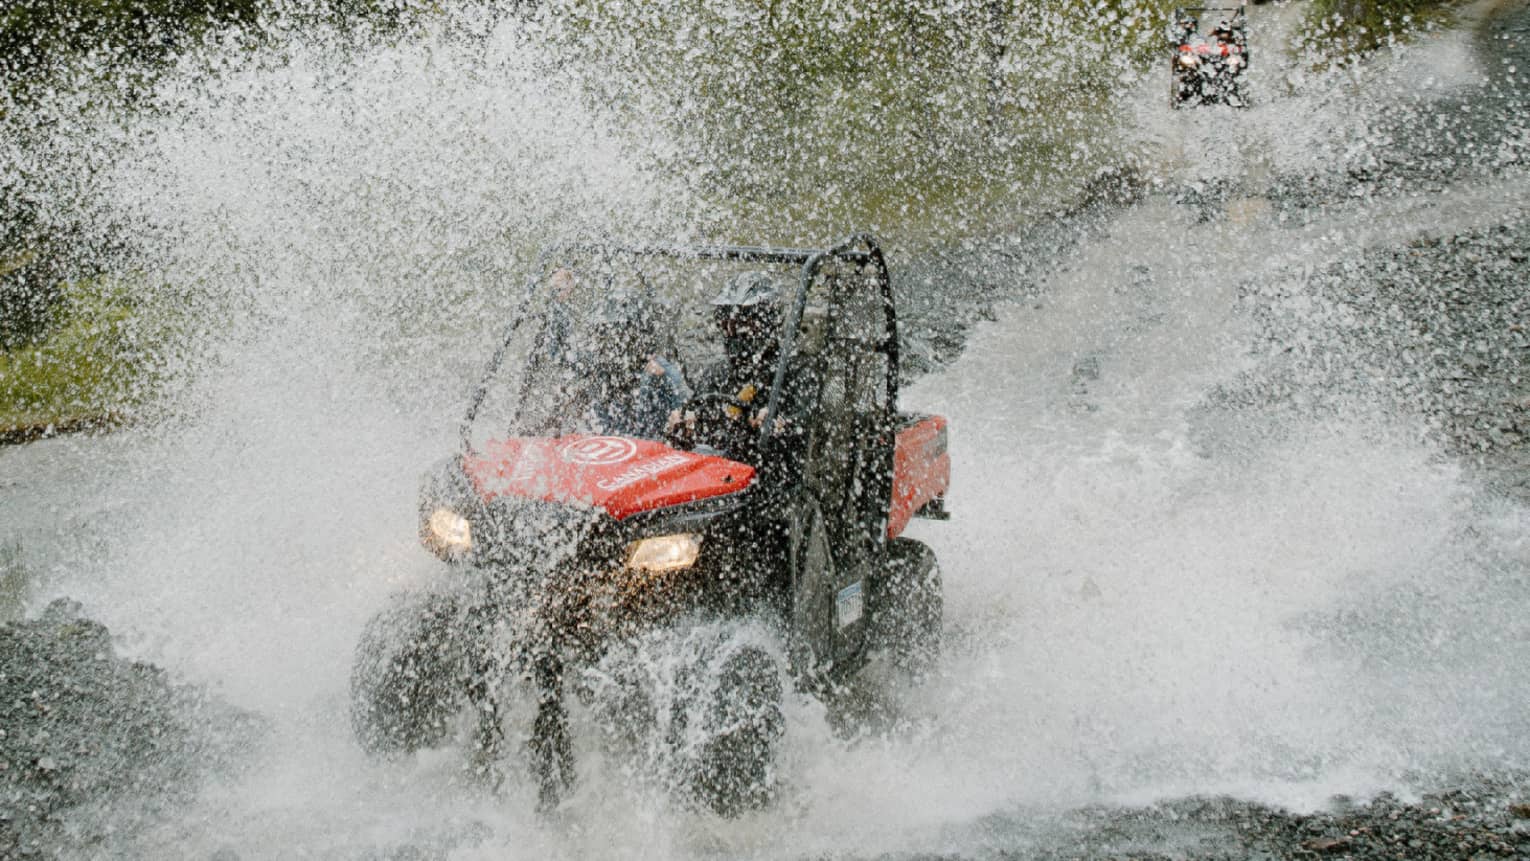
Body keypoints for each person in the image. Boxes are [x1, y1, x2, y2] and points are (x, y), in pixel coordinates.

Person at [668, 271, 788, 462]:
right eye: (727, 326)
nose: (734, 334)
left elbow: (804, 431)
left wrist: (778, 424)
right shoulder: (717, 373)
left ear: (768, 323)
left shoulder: (791, 374)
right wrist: (683, 425)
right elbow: (697, 418)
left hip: (769, 477)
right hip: (716, 474)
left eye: (744, 325)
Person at [580, 291, 690, 440]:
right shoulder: (600, 371)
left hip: (650, 445)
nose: (607, 343)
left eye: (615, 335)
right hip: (614, 444)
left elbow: (686, 405)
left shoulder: (658, 368)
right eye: (602, 335)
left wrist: (679, 414)